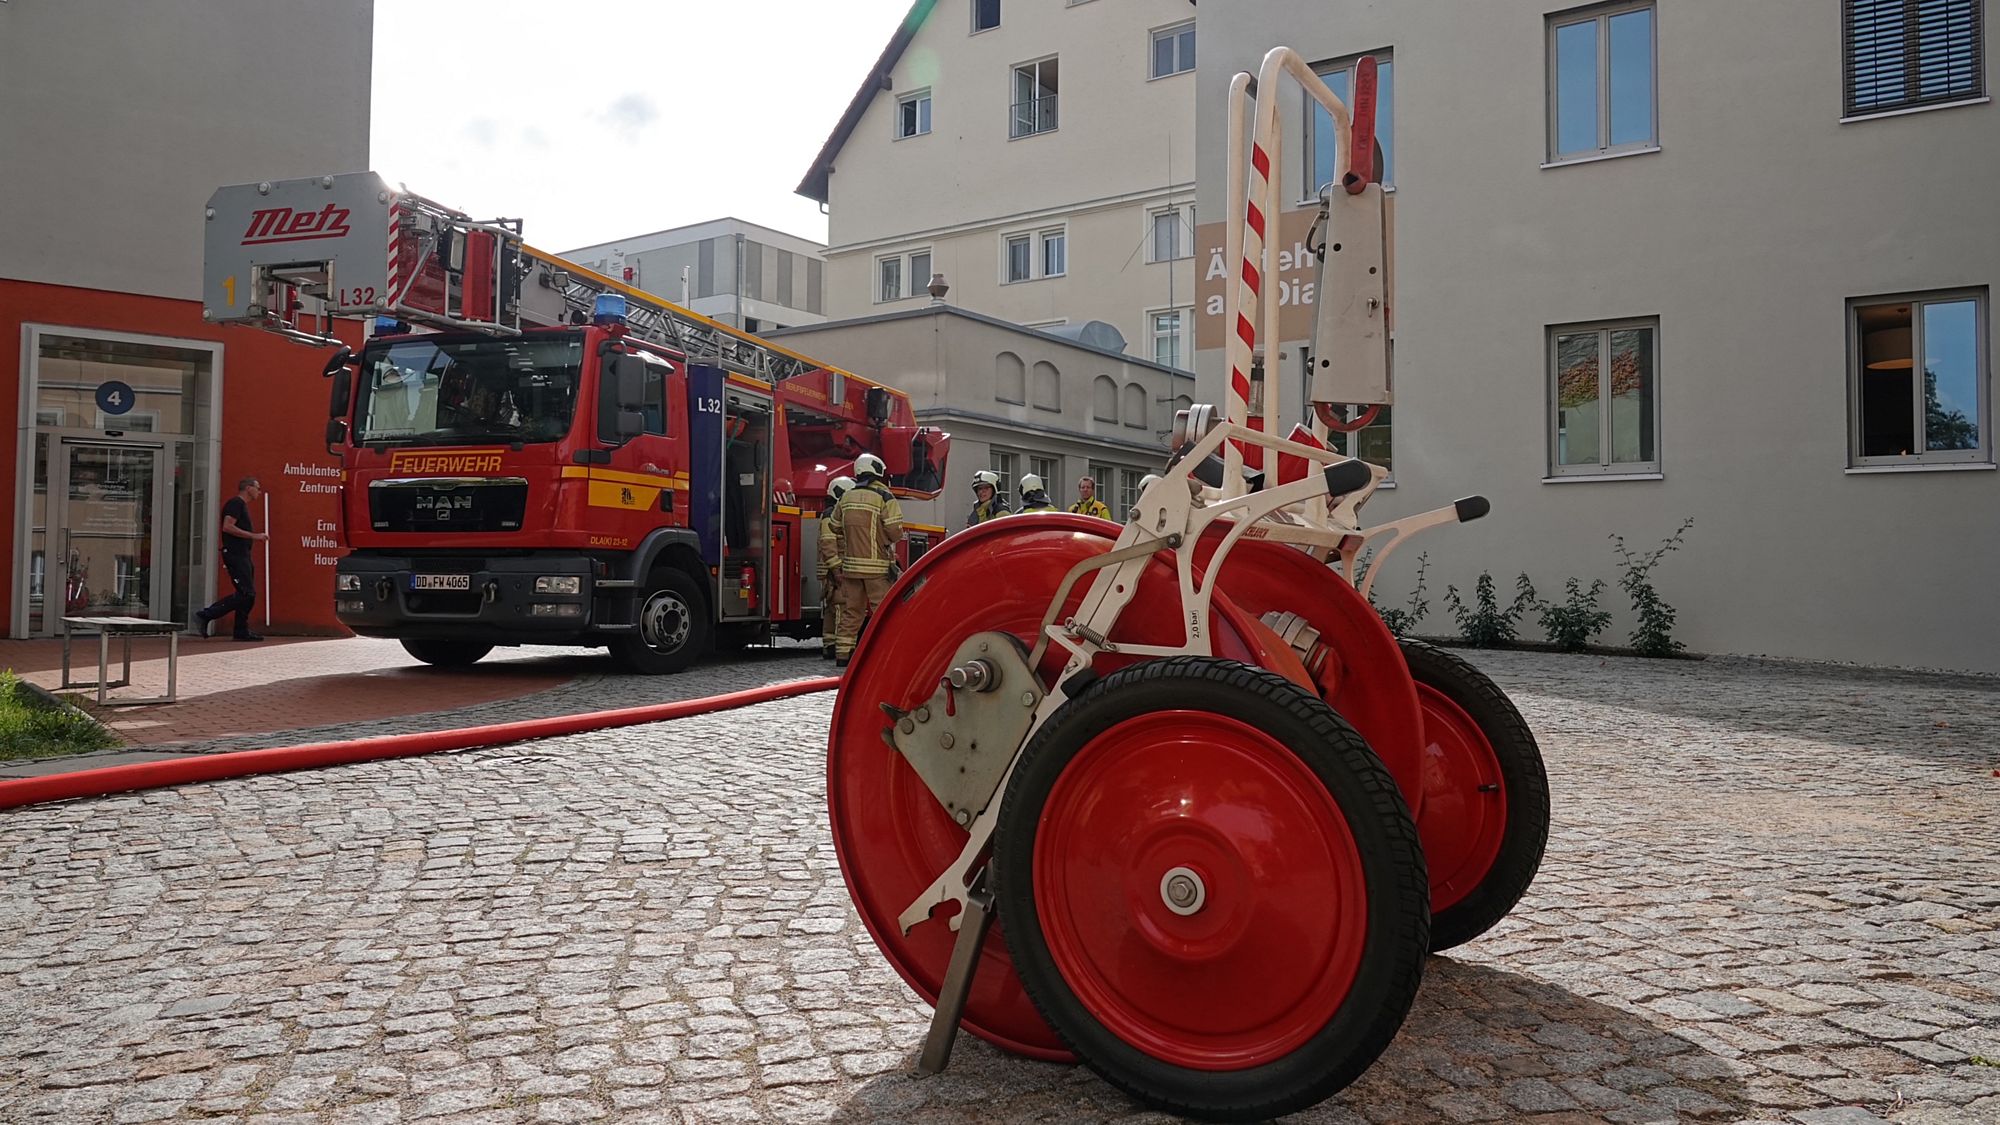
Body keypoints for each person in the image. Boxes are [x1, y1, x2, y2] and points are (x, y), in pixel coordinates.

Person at [830, 453, 903, 667]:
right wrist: (883, 539)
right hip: (876, 568)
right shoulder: (884, 496)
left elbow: (834, 526)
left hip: (851, 568)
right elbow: (895, 531)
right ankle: (885, 654)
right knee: (883, 613)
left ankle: (843, 655)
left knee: (852, 612)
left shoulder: (846, 496)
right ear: (878, 471)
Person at [195, 476, 268, 641]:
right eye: (257, 487)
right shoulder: (235, 504)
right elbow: (227, 526)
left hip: (243, 554)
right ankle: (206, 615)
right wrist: (255, 536)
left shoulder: (241, 505)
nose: (259, 491)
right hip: (235, 554)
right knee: (246, 593)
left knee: (248, 594)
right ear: (248, 488)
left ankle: (241, 630)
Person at [818, 475, 855, 660]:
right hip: (836, 569)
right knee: (842, 607)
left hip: (833, 569)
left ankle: (830, 645)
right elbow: (828, 544)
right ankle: (843, 649)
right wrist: (837, 570)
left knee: (833, 610)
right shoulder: (831, 515)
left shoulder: (830, 513)